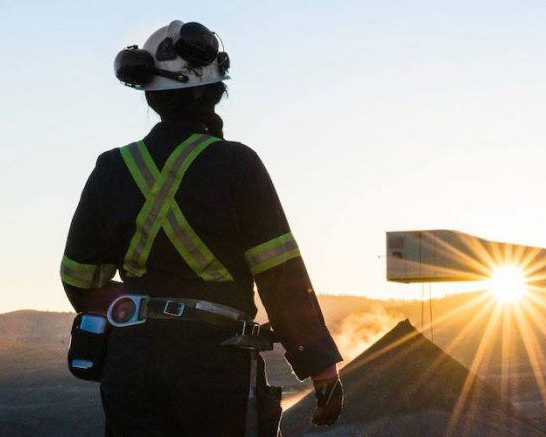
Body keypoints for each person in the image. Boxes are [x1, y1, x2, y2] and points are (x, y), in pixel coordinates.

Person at [60, 20, 343, 436]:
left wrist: (144, 308)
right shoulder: (237, 164)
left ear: (150, 93)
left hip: (130, 367)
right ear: (214, 91)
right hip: (215, 367)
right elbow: (279, 273)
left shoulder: (112, 168)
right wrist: (321, 369)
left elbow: (79, 279)